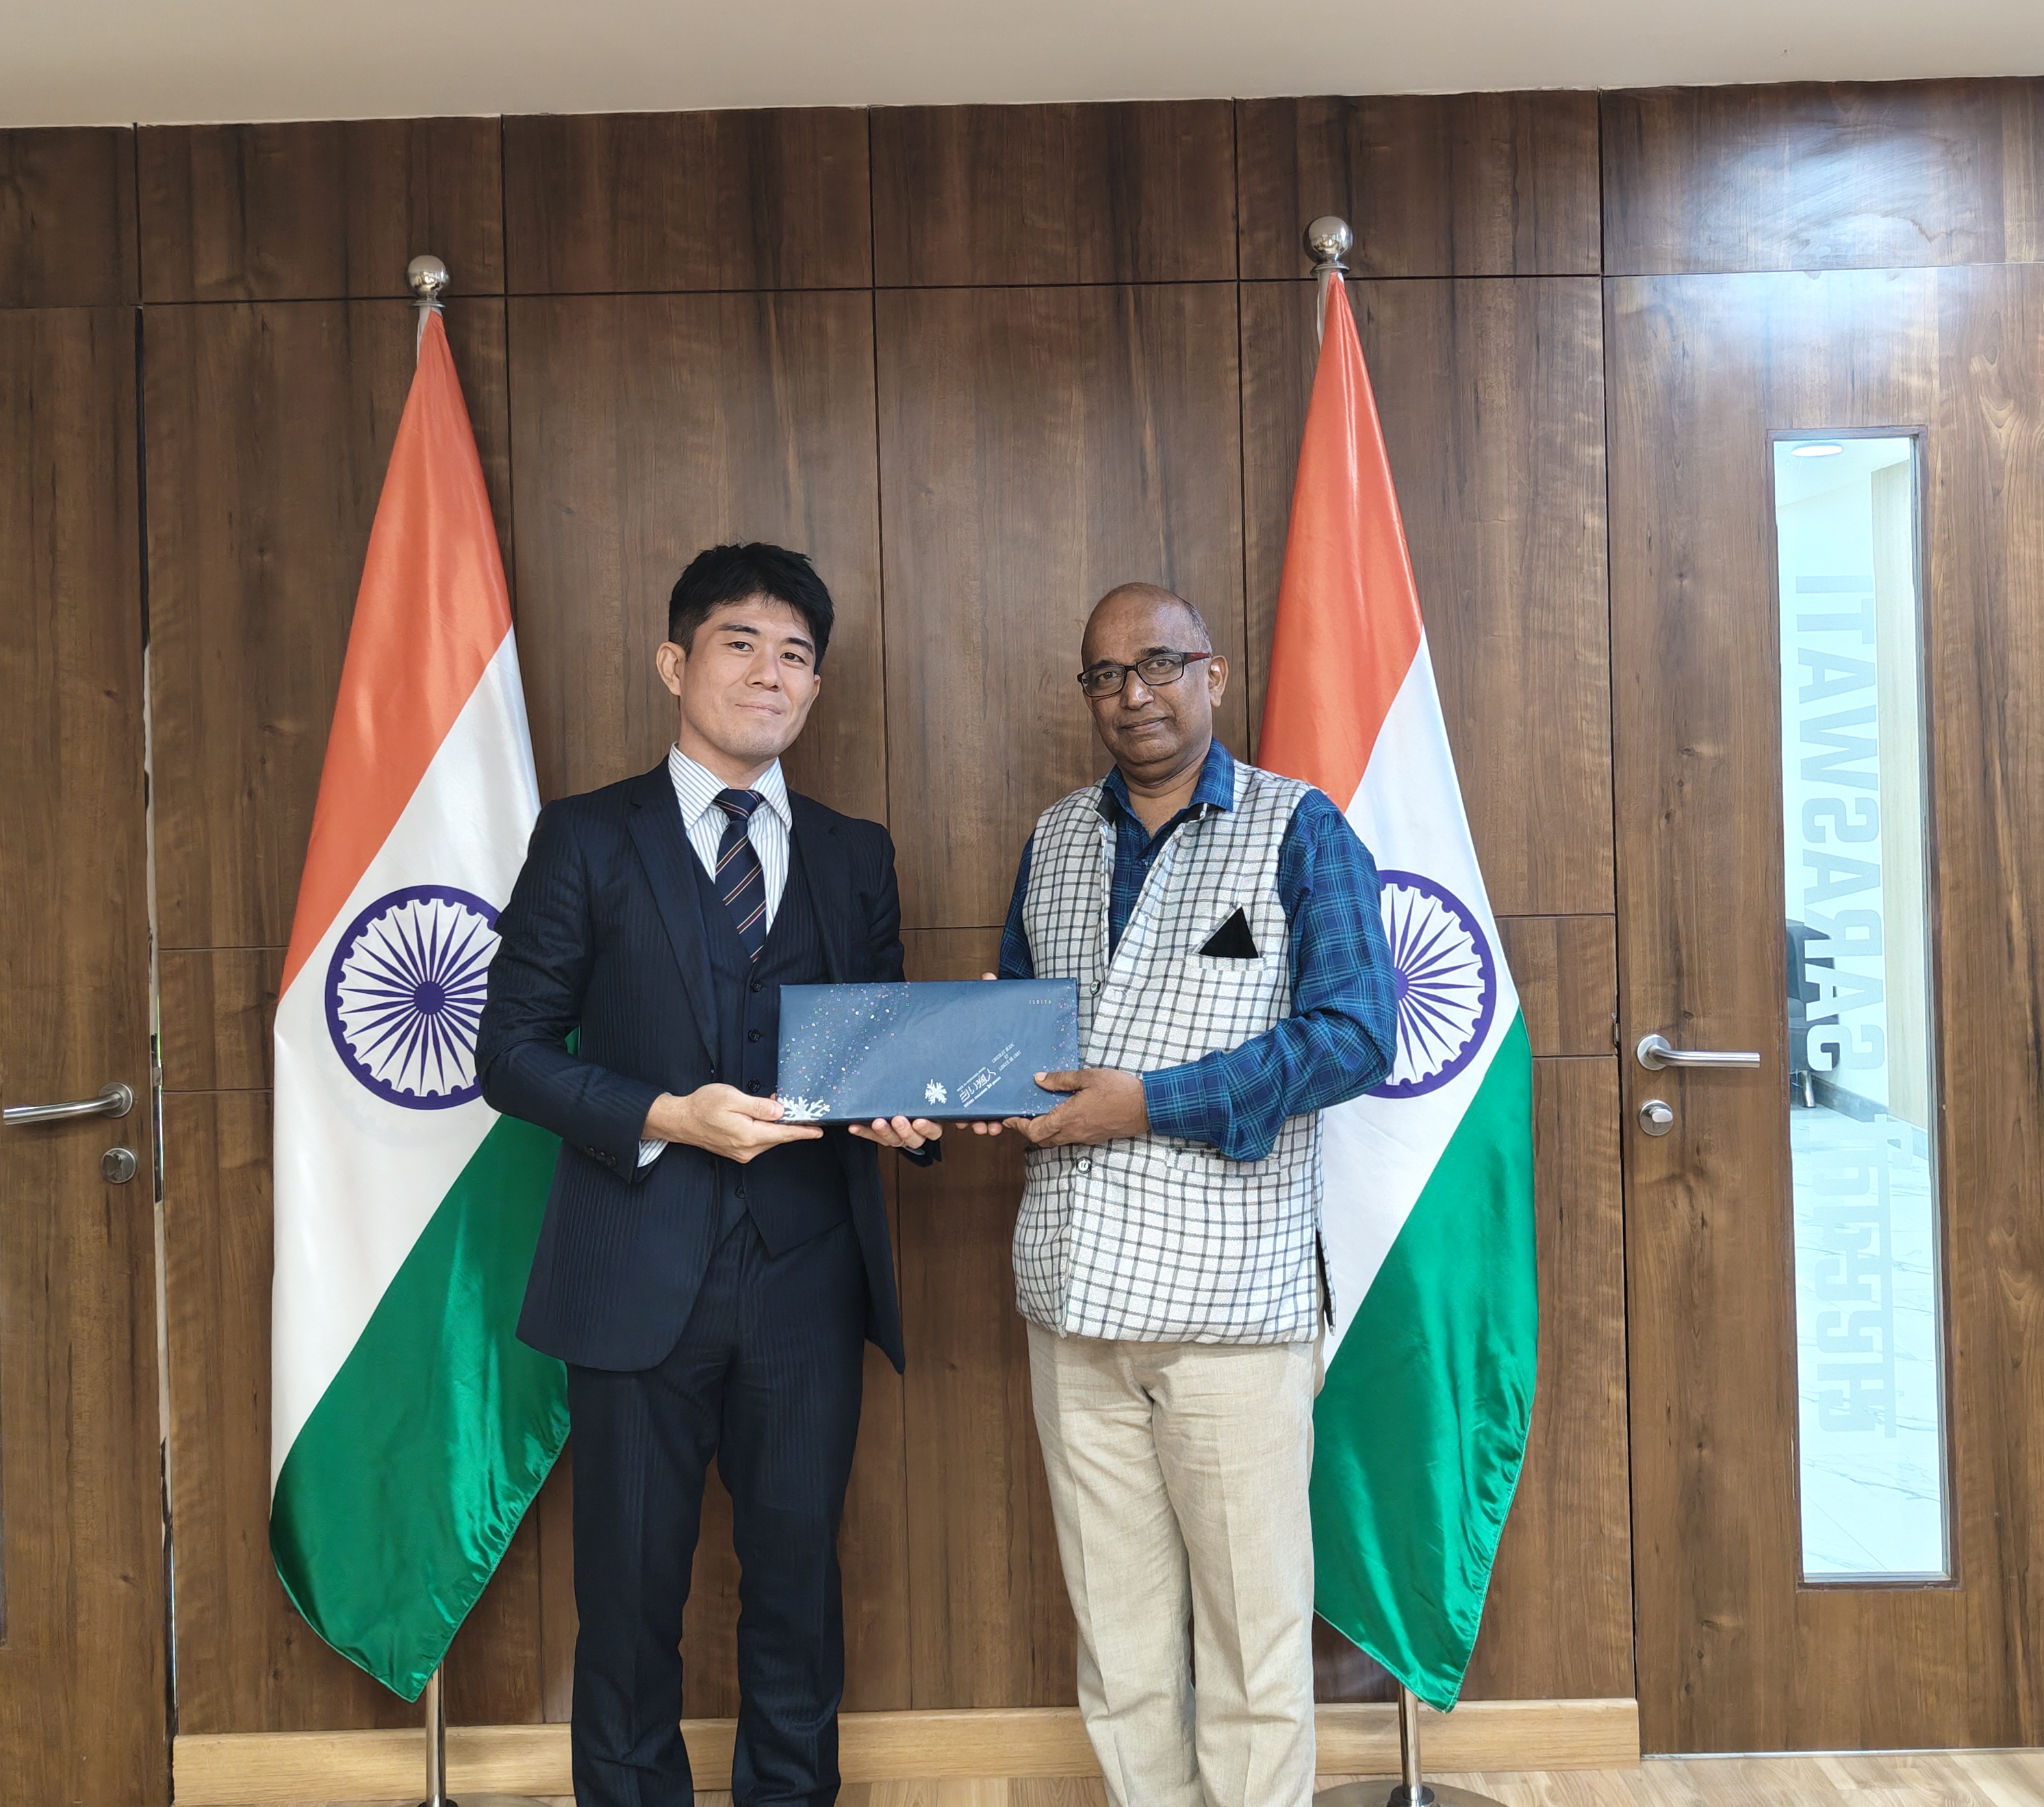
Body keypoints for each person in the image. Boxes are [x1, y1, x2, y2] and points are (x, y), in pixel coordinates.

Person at [476, 543, 938, 1807]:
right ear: (675, 665)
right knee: (628, 1594)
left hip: (807, 1278)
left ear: (816, 687)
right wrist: (665, 1116)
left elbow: (882, 1051)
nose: (770, 674)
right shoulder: (586, 837)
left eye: (796, 655)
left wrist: (913, 1120)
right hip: (633, 1268)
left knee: (798, 1586)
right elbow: (508, 1054)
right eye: (742, 644)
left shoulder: (856, 851)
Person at [973, 580, 1396, 1807]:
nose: (1134, 695)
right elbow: (1021, 1033)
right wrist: (962, 1095)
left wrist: (1150, 1102)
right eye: (1106, 675)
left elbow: (1355, 1037)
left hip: (1231, 1309)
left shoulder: (1299, 829)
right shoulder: (1057, 838)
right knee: (1118, 1648)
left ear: (1212, 673)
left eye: (1160, 664)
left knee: (1254, 1646)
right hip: (1070, 1301)